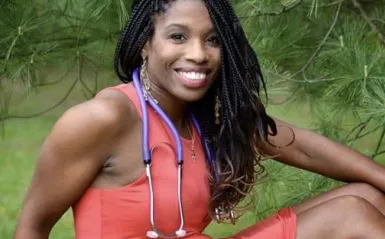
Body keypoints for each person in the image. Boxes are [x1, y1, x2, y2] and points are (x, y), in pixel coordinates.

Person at [12, 0, 385, 239]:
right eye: (178, 36)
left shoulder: (208, 118)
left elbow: (300, 146)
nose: (198, 54)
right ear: (145, 43)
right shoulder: (104, 118)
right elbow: (32, 226)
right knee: (351, 214)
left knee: (368, 195)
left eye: (213, 40)